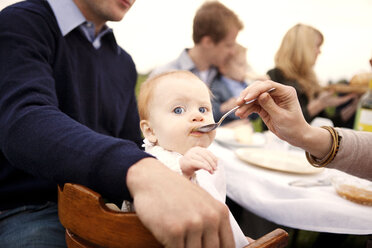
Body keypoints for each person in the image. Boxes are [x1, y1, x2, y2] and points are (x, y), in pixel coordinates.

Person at [0, 0, 235, 247]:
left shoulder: (122, 62)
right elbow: (24, 121)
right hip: (30, 209)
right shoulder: (22, 23)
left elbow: (133, 142)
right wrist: (142, 171)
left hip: (108, 207)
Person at [127, 70, 250, 247]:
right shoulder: (152, 159)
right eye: (178, 110)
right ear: (150, 131)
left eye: (203, 109)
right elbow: (158, 188)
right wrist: (183, 170)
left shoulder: (205, 157)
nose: (198, 116)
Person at [235, 80, 372, 181]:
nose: (319, 51)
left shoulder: (313, 85)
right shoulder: (285, 78)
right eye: (317, 46)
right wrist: (304, 133)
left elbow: (332, 121)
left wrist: (305, 133)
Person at [267, 23, 359, 128]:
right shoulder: (274, 77)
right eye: (317, 46)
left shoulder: (310, 81)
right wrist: (319, 104)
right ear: (303, 48)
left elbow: (328, 124)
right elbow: (278, 124)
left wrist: (355, 105)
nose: (319, 51)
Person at [149, 1, 243, 86]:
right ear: (208, 42)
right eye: (228, 45)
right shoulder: (163, 77)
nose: (233, 52)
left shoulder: (226, 72)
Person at [210, 43, 261, 125]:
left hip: (246, 128)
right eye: (240, 64)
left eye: (246, 65)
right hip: (226, 130)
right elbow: (210, 113)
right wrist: (224, 107)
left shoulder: (245, 85)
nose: (245, 69)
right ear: (223, 68)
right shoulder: (216, 87)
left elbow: (255, 116)